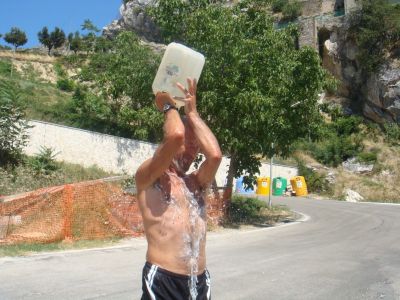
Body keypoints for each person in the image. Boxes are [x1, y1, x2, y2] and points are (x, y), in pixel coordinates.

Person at [135, 78, 222, 300]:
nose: (192, 149)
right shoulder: (150, 176)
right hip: (164, 279)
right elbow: (175, 136)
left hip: (199, 280)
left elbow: (214, 156)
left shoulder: (195, 182)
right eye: (189, 142)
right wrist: (167, 104)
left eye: (196, 145)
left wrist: (193, 113)